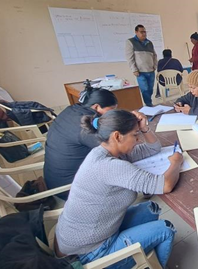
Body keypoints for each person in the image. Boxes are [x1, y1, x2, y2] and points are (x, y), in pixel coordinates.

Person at [55, 109, 183, 269]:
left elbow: (153, 149)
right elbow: (166, 185)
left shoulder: (106, 152)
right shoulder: (110, 166)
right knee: (165, 229)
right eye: (135, 135)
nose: (138, 140)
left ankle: (143, 255)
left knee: (151, 208)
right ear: (117, 136)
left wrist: (144, 128)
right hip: (89, 252)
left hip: (84, 235)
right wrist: (176, 162)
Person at [44, 88, 117, 200]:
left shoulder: (71, 110)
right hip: (68, 188)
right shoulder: (85, 126)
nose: (113, 113)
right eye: (111, 109)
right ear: (96, 107)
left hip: (54, 178)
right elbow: (112, 149)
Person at [126, 24, 157, 107]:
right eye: (141, 32)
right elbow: (130, 58)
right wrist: (134, 69)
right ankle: (148, 104)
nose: (144, 34)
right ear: (136, 32)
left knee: (150, 89)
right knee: (145, 89)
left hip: (150, 70)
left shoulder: (149, 43)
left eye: (145, 32)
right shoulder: (131, 42)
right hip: (140, 71)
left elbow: (154, 55)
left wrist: (155, 65)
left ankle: (149, 103)